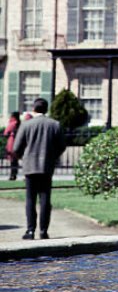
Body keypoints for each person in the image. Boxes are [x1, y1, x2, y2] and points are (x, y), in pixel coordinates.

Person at [13, 98, 66, 240]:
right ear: (46, 109)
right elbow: (62, 146)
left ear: (33, 108)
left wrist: (22, 157)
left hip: (30, 166)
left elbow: (16, 147)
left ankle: (30, 231)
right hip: (46, 166)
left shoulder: (26, 125)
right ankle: (43, 231)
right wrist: (52, 156)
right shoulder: (54, 124)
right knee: (45, 199)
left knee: (30, 199)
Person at [3, 111, 21, 180]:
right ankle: (14, 174)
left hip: (11, 143)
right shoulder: (19, 123)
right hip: (18, 143)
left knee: (12, 160)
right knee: (15, 161)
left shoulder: (12, 123)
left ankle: (12, 175)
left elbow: (5, 133)